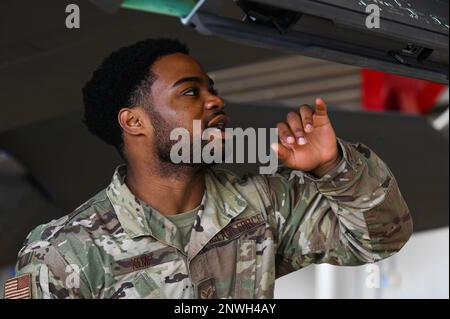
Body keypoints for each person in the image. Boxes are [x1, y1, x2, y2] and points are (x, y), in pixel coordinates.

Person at [4, 38, 412, 299]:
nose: (215, 101)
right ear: (134, 122)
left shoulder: (265, 203)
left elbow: (378, 240)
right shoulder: (64, 251)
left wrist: (333, 165)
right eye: (191, 92)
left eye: (212, 90)